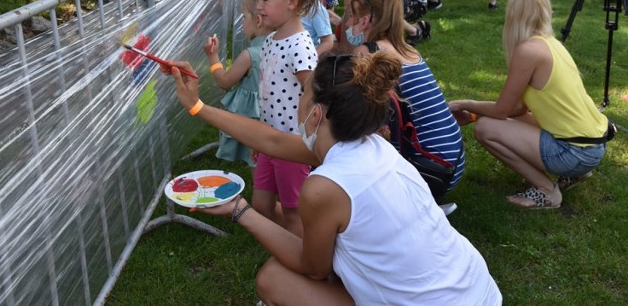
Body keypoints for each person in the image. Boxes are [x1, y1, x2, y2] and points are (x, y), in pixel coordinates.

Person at [162, 52, 502, 305]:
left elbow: (313, 269)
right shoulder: (373, 146)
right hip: (478, 291)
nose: (299, 99)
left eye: (303, 92)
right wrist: (197, 106)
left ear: (317, 114)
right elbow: (272, 141)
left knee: (274, 279)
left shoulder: (324, 187)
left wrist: (240, 210)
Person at [449, 0, 609, 209]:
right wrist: (474, 114)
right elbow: (519, 110)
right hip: (592, 147)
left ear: (513, 14)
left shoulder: (528, 52)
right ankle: (574, 174)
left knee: (485, 130)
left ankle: (546, 191)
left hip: (575, 153)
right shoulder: (552, 44)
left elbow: (501, 111)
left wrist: (463, 103)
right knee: (489, 122)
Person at [348, 0, 466, 197]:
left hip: (429, 170)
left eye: (351, 17)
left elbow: (358, 110)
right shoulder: (408, 49)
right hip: (452, 160)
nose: (348, 23)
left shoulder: (367, 53)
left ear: (364, 21)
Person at [250, 0, 322, 237]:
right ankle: (291, 241)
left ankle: (308, 254)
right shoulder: (271, 39)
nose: (258, 7)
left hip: (292, 145)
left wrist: (316, 144)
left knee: (293, 209)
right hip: (271, 140)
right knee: (261, 203)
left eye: (264, 0)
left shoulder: (300, 47)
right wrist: (261, 136)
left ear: (291, 2)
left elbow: (316, 97)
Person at [203, 0, 271, 179]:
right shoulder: (278, 48)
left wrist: (213, 57)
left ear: (257, 20)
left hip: (253, 125)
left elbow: (224, 81)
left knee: (258, 172)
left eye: (244, 17)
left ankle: (262, 205)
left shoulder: (250, 55)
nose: (242, 24)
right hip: (273, 120)